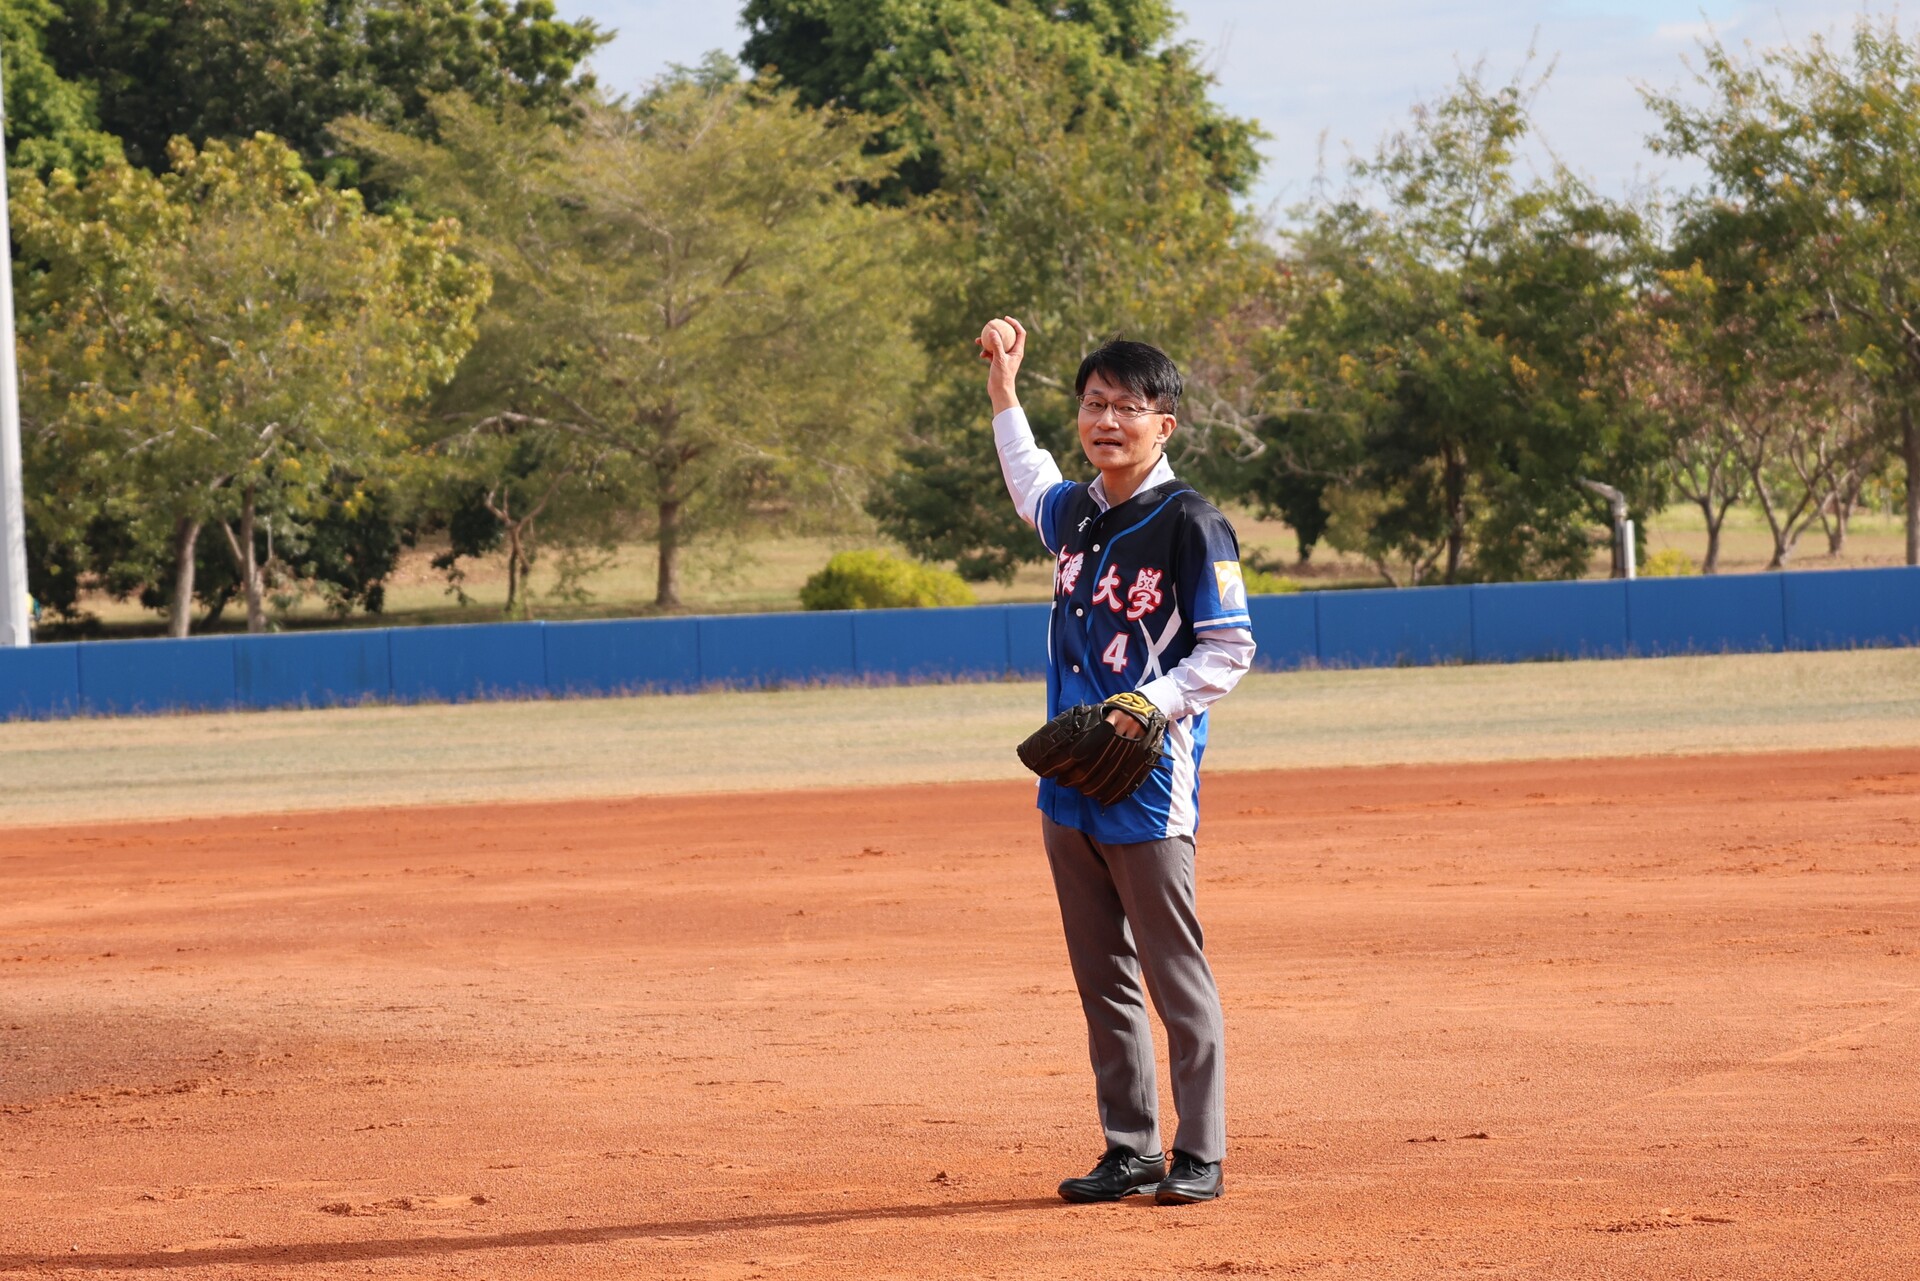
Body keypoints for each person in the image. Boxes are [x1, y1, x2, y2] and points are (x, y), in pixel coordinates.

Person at [980, 318, 1256, 1206]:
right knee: (1101, 976)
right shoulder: (1077, 514)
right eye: (1093, 403)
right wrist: (1004, 389)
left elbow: (1229, 650)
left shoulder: (1192, 524)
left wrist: (1151, 701)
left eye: (1127, 407)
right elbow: (1028, 480)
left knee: (1174, 974)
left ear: (1163, 425)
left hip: (1147, 783)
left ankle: (1200, 1151)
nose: (1106, 420)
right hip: (1070, 783)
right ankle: (1130, 1147)